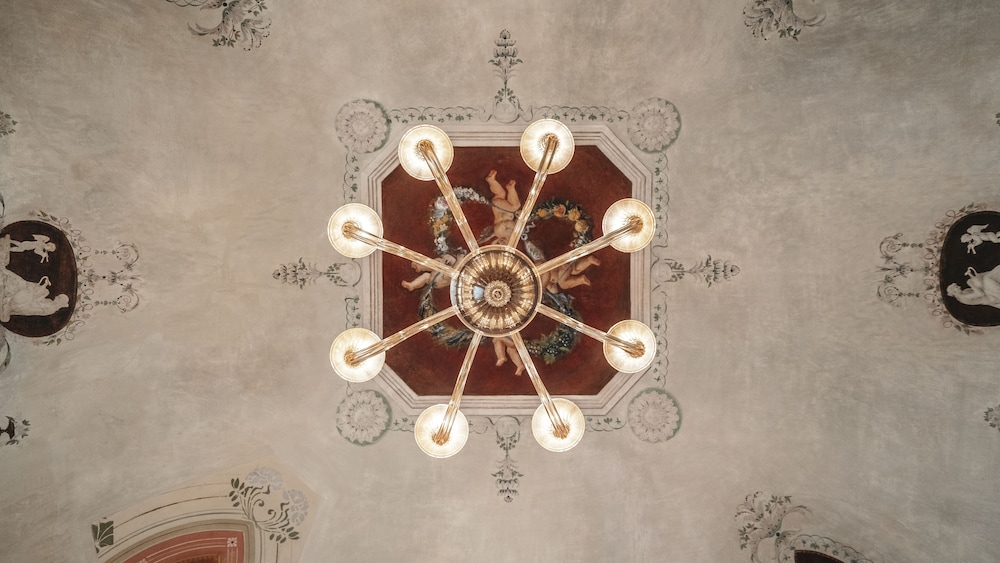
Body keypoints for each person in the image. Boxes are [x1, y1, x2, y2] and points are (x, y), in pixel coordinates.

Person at [486, 170, 520, 244]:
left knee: (515, 206)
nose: (503, 242)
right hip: (501, 206)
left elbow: (507, 223)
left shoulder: (499, 233)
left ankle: (511, 188)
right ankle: (491, 180)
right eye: (505, 243)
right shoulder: (510, 235)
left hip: (498, 207)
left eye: (502, 243)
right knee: (501, 193)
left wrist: (515, 227)